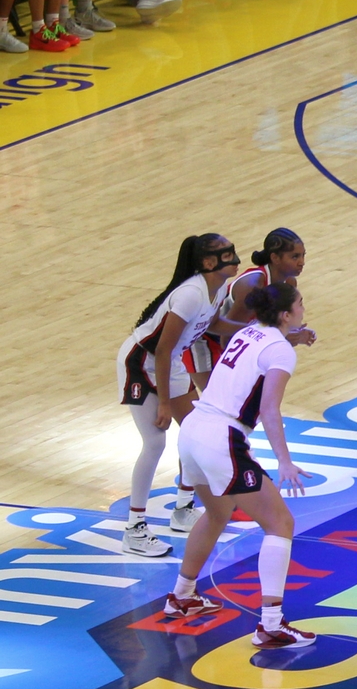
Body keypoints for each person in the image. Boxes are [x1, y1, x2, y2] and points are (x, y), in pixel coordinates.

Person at [165, 283, 316, 649]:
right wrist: (284, 460)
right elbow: (269, 409)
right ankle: (270, 624)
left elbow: (267, 350)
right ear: (286, 314)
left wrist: (294, 338)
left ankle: (182, 596)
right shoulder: (280, 350)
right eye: (299, 304)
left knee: (217, 513)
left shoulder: (251, 331)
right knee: (280, 522)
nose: (303, 307)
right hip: (222, 438)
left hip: (194, 431)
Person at [115, 234, 239, 557]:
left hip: (169, 363)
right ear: (209, 263)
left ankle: (184, 509)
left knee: (197, 431)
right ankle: (134, 528)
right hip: (141, 361)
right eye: (229, 254)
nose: (236, 258)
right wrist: (166, 404)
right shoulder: (189, 294)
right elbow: (163, 347)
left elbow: (214, 325)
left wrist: (255, 328)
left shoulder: (219, 289)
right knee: (155, 442)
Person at [186, 227, 315, 393]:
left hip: (234, 338)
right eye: (295, 256)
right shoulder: (253, 286)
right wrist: (279, 338)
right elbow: (227, 339)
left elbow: (271, 326)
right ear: (275, 258)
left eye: (303, 255)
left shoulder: (289, 283)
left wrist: (296, 333)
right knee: (220, 397)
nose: (301, 262)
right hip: (203, 338)